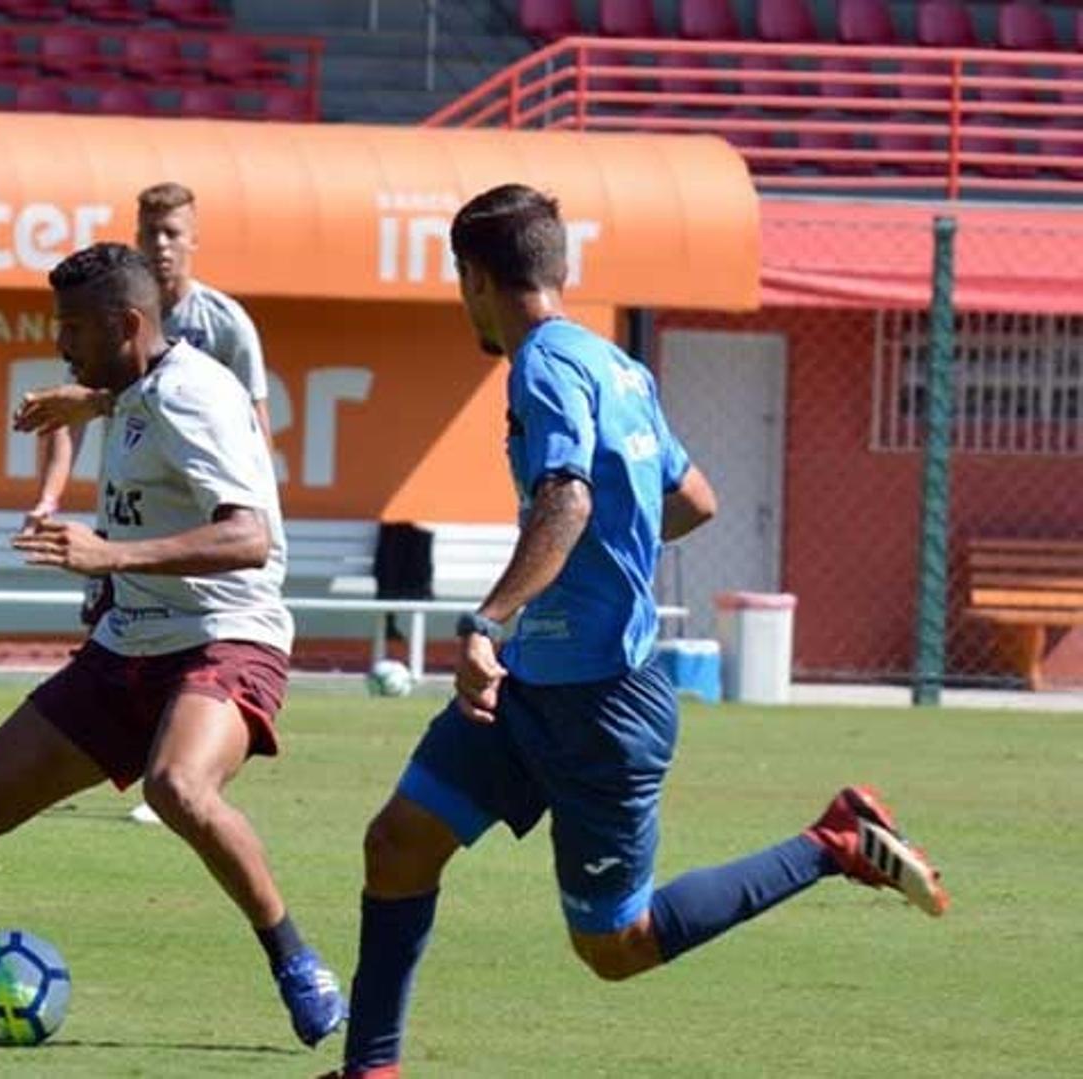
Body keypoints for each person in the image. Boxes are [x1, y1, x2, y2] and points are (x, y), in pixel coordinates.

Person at [323, 184, 949, 1079]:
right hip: (535, 685)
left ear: (474, 278)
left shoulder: (541, 365)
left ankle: (832, 842)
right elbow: (693, 501)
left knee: (617, 945)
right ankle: (371, 1070)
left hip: (601, 709)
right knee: (398, 844)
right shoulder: (618, 367)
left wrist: (486, 620)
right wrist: (592, 564)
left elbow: (567, 495)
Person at [0, 243, 347, 1050]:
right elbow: (143, 395)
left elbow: (250, 537)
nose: (60, 343)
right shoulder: (143, 383)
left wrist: (111, 555)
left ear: (127, 323)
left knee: (177, 785)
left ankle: (296, 959)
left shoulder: (196, 398)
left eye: (73, 328)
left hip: (226, 636)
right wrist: (88, 401)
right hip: (128, 646)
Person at [24, 181, 271, 533]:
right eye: (151, 233)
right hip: (133, 498)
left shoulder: (225, 323)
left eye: (171, 233)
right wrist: (48, 498)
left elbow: (254, 421)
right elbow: (73, 415)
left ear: (193, 240)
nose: (160, 245)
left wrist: (256, 505)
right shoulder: (105, 316)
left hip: (199, 509)